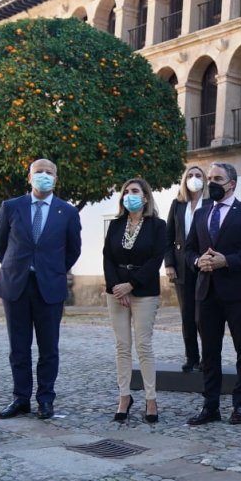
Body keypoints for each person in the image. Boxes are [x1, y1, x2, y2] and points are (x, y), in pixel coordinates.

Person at [0, 158, 83, 420]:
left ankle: (45, 399)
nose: (44, 175)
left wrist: (51, 270)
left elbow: (73, 249)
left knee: (48, 348)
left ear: (56, 178)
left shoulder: (67, 212)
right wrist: (18, 267)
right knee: (18, 348)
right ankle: (21, 399)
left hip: (50, 287)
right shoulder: (11, 207)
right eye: (39, 171)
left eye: (49, 172)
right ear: (30, 177)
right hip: (16, 285)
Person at [184, 162, 241, 426]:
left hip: (237, 291)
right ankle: (210, 406)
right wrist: (197, 261)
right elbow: (188, 249)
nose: (212, 183)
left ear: (232, 183)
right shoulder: (201, 213)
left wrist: (227, 261)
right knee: (209, 352)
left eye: (217, 178)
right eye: (209, 178)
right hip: (206, 291)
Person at [104, 178, 168, 423]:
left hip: (144, 291)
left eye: (134, 191)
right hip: (116, 292)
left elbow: (156, 259)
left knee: (143, 345)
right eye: (126, 192)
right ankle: (124, 396)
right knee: (122, 346)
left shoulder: (157, 225)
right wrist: (116, 287)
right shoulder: (115, 225)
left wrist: (131, 284)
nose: (129, 195)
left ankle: (151, 399)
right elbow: (107, 257)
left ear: (145, 196)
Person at [165, 165, 206, 373]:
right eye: (190, 175)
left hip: (205, 264)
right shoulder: (178, 204)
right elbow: (168, 236)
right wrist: (169, 264)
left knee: (204, 315)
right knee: (187, 314)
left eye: (198, 175)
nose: (194, 178)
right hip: (182, 266)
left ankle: (207, 358)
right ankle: (192, 357)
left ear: (204, 179)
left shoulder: (211, 203)